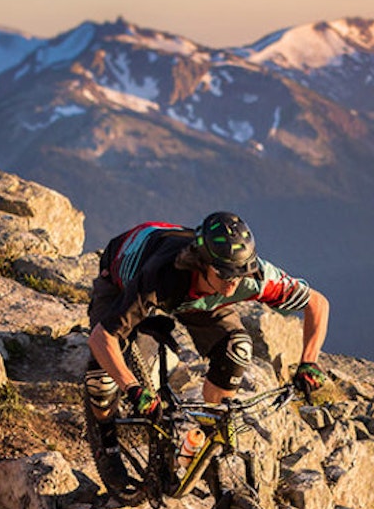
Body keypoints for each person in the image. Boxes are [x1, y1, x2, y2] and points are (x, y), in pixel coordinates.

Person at [83, 211, 330, 493]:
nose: (233, 283)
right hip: (124, 275)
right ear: (201, 263)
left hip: (197, 299)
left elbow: (317, 303)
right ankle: (106, 441)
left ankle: (205, 441)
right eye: (225, 274)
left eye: (241, 273)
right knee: (103, 380)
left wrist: (309, 362)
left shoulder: (254, 275)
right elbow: (101, 338)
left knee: (237, 349)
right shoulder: (160, 276)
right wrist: (133, 388)